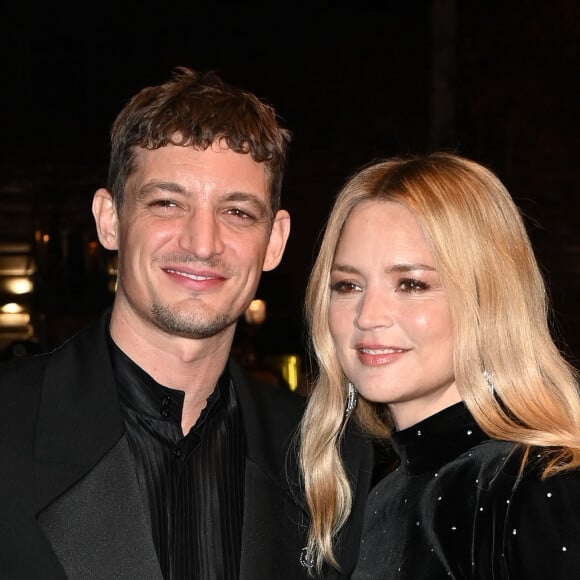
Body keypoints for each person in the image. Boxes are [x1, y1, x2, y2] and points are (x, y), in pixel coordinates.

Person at [0, 66, 373, 580]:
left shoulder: (328, 457)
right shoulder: (9, 424)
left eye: (238, 213)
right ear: (110, 219)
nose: (202, 243)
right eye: (168, 203)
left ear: (276, 240)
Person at [299, 151, 580, 578]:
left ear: (489, 300)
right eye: (348, 284)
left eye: (411, 284)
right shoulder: (374, 496)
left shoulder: (540, 486)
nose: (368, 314)